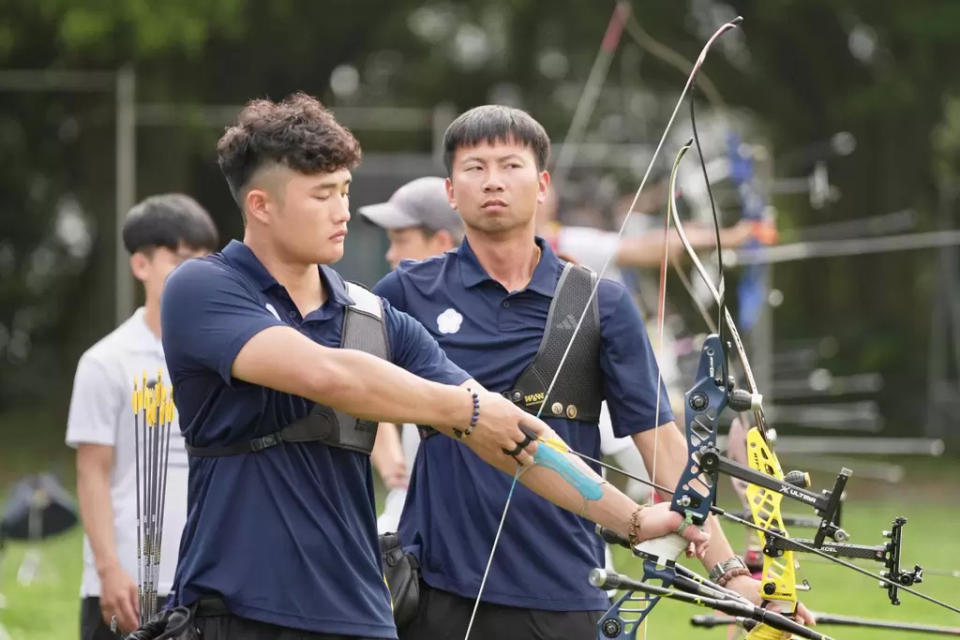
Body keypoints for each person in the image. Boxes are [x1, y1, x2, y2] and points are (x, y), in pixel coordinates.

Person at [158, 93, 707, 640]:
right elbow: (330, 376)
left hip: (362, 616)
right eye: (323, 194)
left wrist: (631, 521)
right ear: (261, 205)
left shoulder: (376, 316)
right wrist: (468, 410)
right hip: (236, 611)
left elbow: (512, 436)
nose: (343, 211)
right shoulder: (204, 288)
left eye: (345, 191)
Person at [374, 105, 809, 639]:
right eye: (474, 167)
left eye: (511, 165)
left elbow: (664, 448)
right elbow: (349, 401)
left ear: (542, 186)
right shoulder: (404, 292)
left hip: (569, 589)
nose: (493, 182)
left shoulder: (601, 303)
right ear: (449, 190)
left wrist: (733, 578)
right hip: (438, 592)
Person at [66, 194, 219, 638]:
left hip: (208, 582)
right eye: (181, 260)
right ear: (141, 266)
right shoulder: (106, 361)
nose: (194, 275)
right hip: (127, 587)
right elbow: (92, 472)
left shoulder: (224, 357)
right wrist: (109, 570)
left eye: (204, 262)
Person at [359, 177, 464, 533]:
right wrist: (391, 462)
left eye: (401, 240)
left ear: (442, 242)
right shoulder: (396, 303)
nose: (390, 254)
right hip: (416, 506)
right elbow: (359, 379)